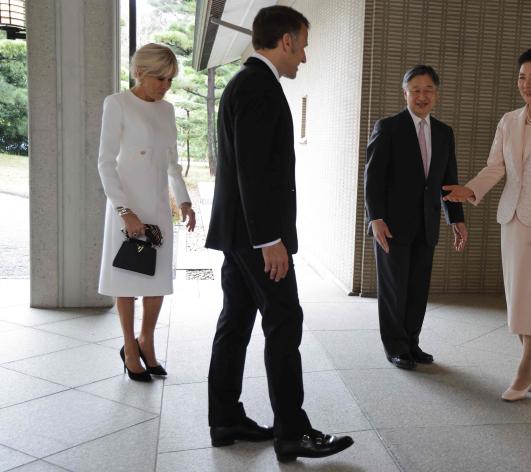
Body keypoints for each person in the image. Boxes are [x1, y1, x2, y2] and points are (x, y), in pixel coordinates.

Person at [204, 5, 354, 462]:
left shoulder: (246, 84)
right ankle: (293, 430)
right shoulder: (257, 87)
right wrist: (269, 239)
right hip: (257, 237)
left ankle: (225, 417)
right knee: (285, 321)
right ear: (286, 40)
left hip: (239, 234)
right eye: (303, 45)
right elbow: (251, 170)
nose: (304, 57)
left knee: (236, 323)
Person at [443, 46, 531, 401]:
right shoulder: (509, 120)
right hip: (513, 220)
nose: (527, 83)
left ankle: (524, 366)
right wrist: (470, 189)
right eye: (522, 77)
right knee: (519, 294)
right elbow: (496, 167)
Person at [98, 43, 196, 382]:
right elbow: (105, 163)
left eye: (170, 80)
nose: (165, 86)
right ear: (139, 72)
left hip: (156, 206)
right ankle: (129, 347)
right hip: (126, 206)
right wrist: (123, 210)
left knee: (157, 281)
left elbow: (172, 164)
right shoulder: (117, 104)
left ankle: (146, 341)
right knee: (126, 280)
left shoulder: (166, 111)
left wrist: (184, 201)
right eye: (160, 79)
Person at [365, 65, 468, 370]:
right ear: (406, 93)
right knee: (394, 288)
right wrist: (376, 219)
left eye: (428, 90)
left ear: (436, 94)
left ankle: (412, 342)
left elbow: (449, 182)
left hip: (428, 223)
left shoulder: (444, 133)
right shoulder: (388, 127)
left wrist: (456, 220)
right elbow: (373, 179)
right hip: (392, 225)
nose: (422, 96)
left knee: (417, 288)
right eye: (416, 90)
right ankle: (395, 347)